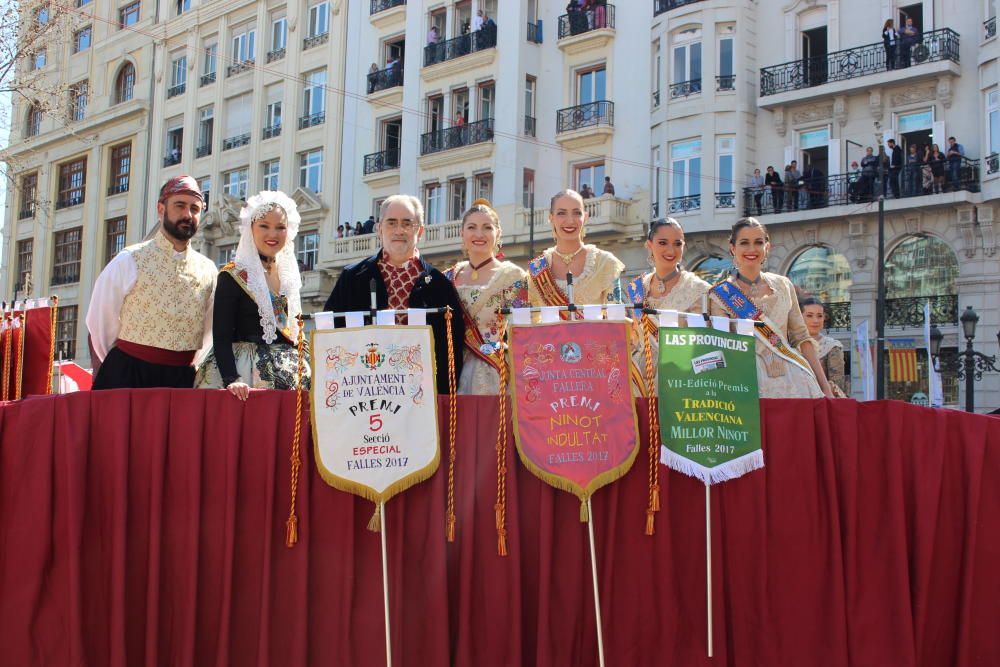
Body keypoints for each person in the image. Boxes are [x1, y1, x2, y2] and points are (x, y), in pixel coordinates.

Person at [323, 194, 464, 393]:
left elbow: (452, 349)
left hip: (421, 398)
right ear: (379, 228)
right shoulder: (352, 278)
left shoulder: (440, 285)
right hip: (361, 395)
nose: (399, 230)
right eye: (392, 223)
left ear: (420, 231)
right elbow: (330, 335)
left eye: (407, 223)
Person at [87, 176, 216, 389]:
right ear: (161, 209)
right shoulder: (129, 259)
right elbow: (99, 320)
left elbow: (208, 330)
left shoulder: (209, 270)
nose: (187, 214)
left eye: (195, 208)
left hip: (181, 380)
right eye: (180, 205)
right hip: (127, 376)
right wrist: (127, 357)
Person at [195, 191, 310, 398]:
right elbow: (221, 336)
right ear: (251, 229)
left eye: (280, 227)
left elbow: (293, 330)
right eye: (264, 226)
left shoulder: (288, 274)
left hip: (287, 372)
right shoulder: (232, 275)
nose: (272, 234)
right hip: (244, 372)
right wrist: (232, 379)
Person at [708, 218, 833, 398]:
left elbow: (802, 338)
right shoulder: (721, 294)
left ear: (768, 247)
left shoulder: (783, 285)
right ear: (733, 248)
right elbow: (724, 348)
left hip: (794, 383)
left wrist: (825, 389)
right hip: (747, 385)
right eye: (744, 243)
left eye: (758, 242)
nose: (752, 249)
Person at [445, 200, 528, 394]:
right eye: (472, 227)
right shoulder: (448, 276)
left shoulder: (513, 276)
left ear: (498, 233)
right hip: (454, 368)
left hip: (495, 370)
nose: (479, 234)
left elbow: (524, 330)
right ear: (462, 233)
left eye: (487, 227)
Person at [625, 218, 710, 395]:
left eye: (677, 244)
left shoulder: (699, 290)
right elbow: (634, 341)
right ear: (649, 245)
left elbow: (706, 345)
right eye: (663, 243)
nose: (671, 250)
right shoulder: (637, 287)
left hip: (680, 384)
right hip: (639, 384)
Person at [528, 189, 624, 317]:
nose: (570, 220)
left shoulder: (605, 263)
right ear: (551, 218)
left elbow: (616, 320)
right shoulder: (536, 270)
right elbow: (529, 323)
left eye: (577, 213)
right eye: (561, 213)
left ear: (585, 217)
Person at [800, 296, 847, 397]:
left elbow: (837, 387)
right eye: (809, 315)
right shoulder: (790, 345)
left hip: (823, 402)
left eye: (819, 316)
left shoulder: (832, 347)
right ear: (800, 317)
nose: (815, 320)